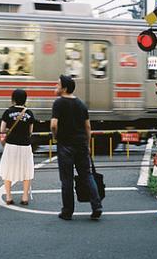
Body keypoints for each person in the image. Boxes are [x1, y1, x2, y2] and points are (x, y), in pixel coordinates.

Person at [51, 75, 102, 220]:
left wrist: (55, 136)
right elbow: (88, 127)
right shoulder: (81, 104)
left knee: (66, 179)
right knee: (86, 175)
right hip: (81, 144)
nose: (55, 86)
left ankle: (67, 211)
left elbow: (54, 124)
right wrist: (88, 144)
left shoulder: (59, 103)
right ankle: (96, 205)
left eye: (57, 84)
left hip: (65, 146)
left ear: (64, 88)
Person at [0, 89, 35, 205]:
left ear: (13, 99)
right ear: (25, 99)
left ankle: (9, 197)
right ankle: (25, 197)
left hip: (11, 145)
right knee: (27, 170)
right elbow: (30, 132)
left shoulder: (7, 112)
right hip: (25, 145)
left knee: (8, 170)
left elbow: (2, 130)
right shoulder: (29, 113)